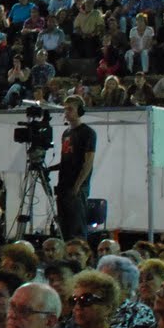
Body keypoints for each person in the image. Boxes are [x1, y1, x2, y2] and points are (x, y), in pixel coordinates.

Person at [55, 95, 96, 239]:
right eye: (65, 109)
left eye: (70, 109)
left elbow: (88, 162)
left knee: (76, 228)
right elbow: (66, 160)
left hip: (77, 187)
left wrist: (78, 185)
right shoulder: (66, 133)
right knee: (64, 227)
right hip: (63, 185)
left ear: (80, 111)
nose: (66, 112)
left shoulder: (88, 133)